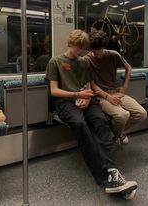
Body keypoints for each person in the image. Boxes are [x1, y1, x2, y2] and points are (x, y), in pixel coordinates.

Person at [45, 29, 137, 198]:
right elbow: (54, 91)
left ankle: (112, 170)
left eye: (83, 49)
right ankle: (105, 180)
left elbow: (88, 85)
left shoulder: (84, 63)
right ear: (70, 44)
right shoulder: (55, 62)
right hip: (66, 103)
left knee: (101, 123)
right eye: (78, 48)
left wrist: (86, 98)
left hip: (87, 100)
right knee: (81, 126)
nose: (81, 52)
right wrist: (77, 95)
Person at [85, 29, 147, 144]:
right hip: (100, 96)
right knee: (123, 115)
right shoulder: (87, 60)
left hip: (115, 91)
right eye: (93, 50)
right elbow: (92, 85)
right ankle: (118, 134)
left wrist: (124, 86)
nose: (95, 53)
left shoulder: (113, 55)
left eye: (98, 50)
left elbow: (128, 67)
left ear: (103, 46)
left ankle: (115, 132)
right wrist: (108, 97)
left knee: (141, 114)